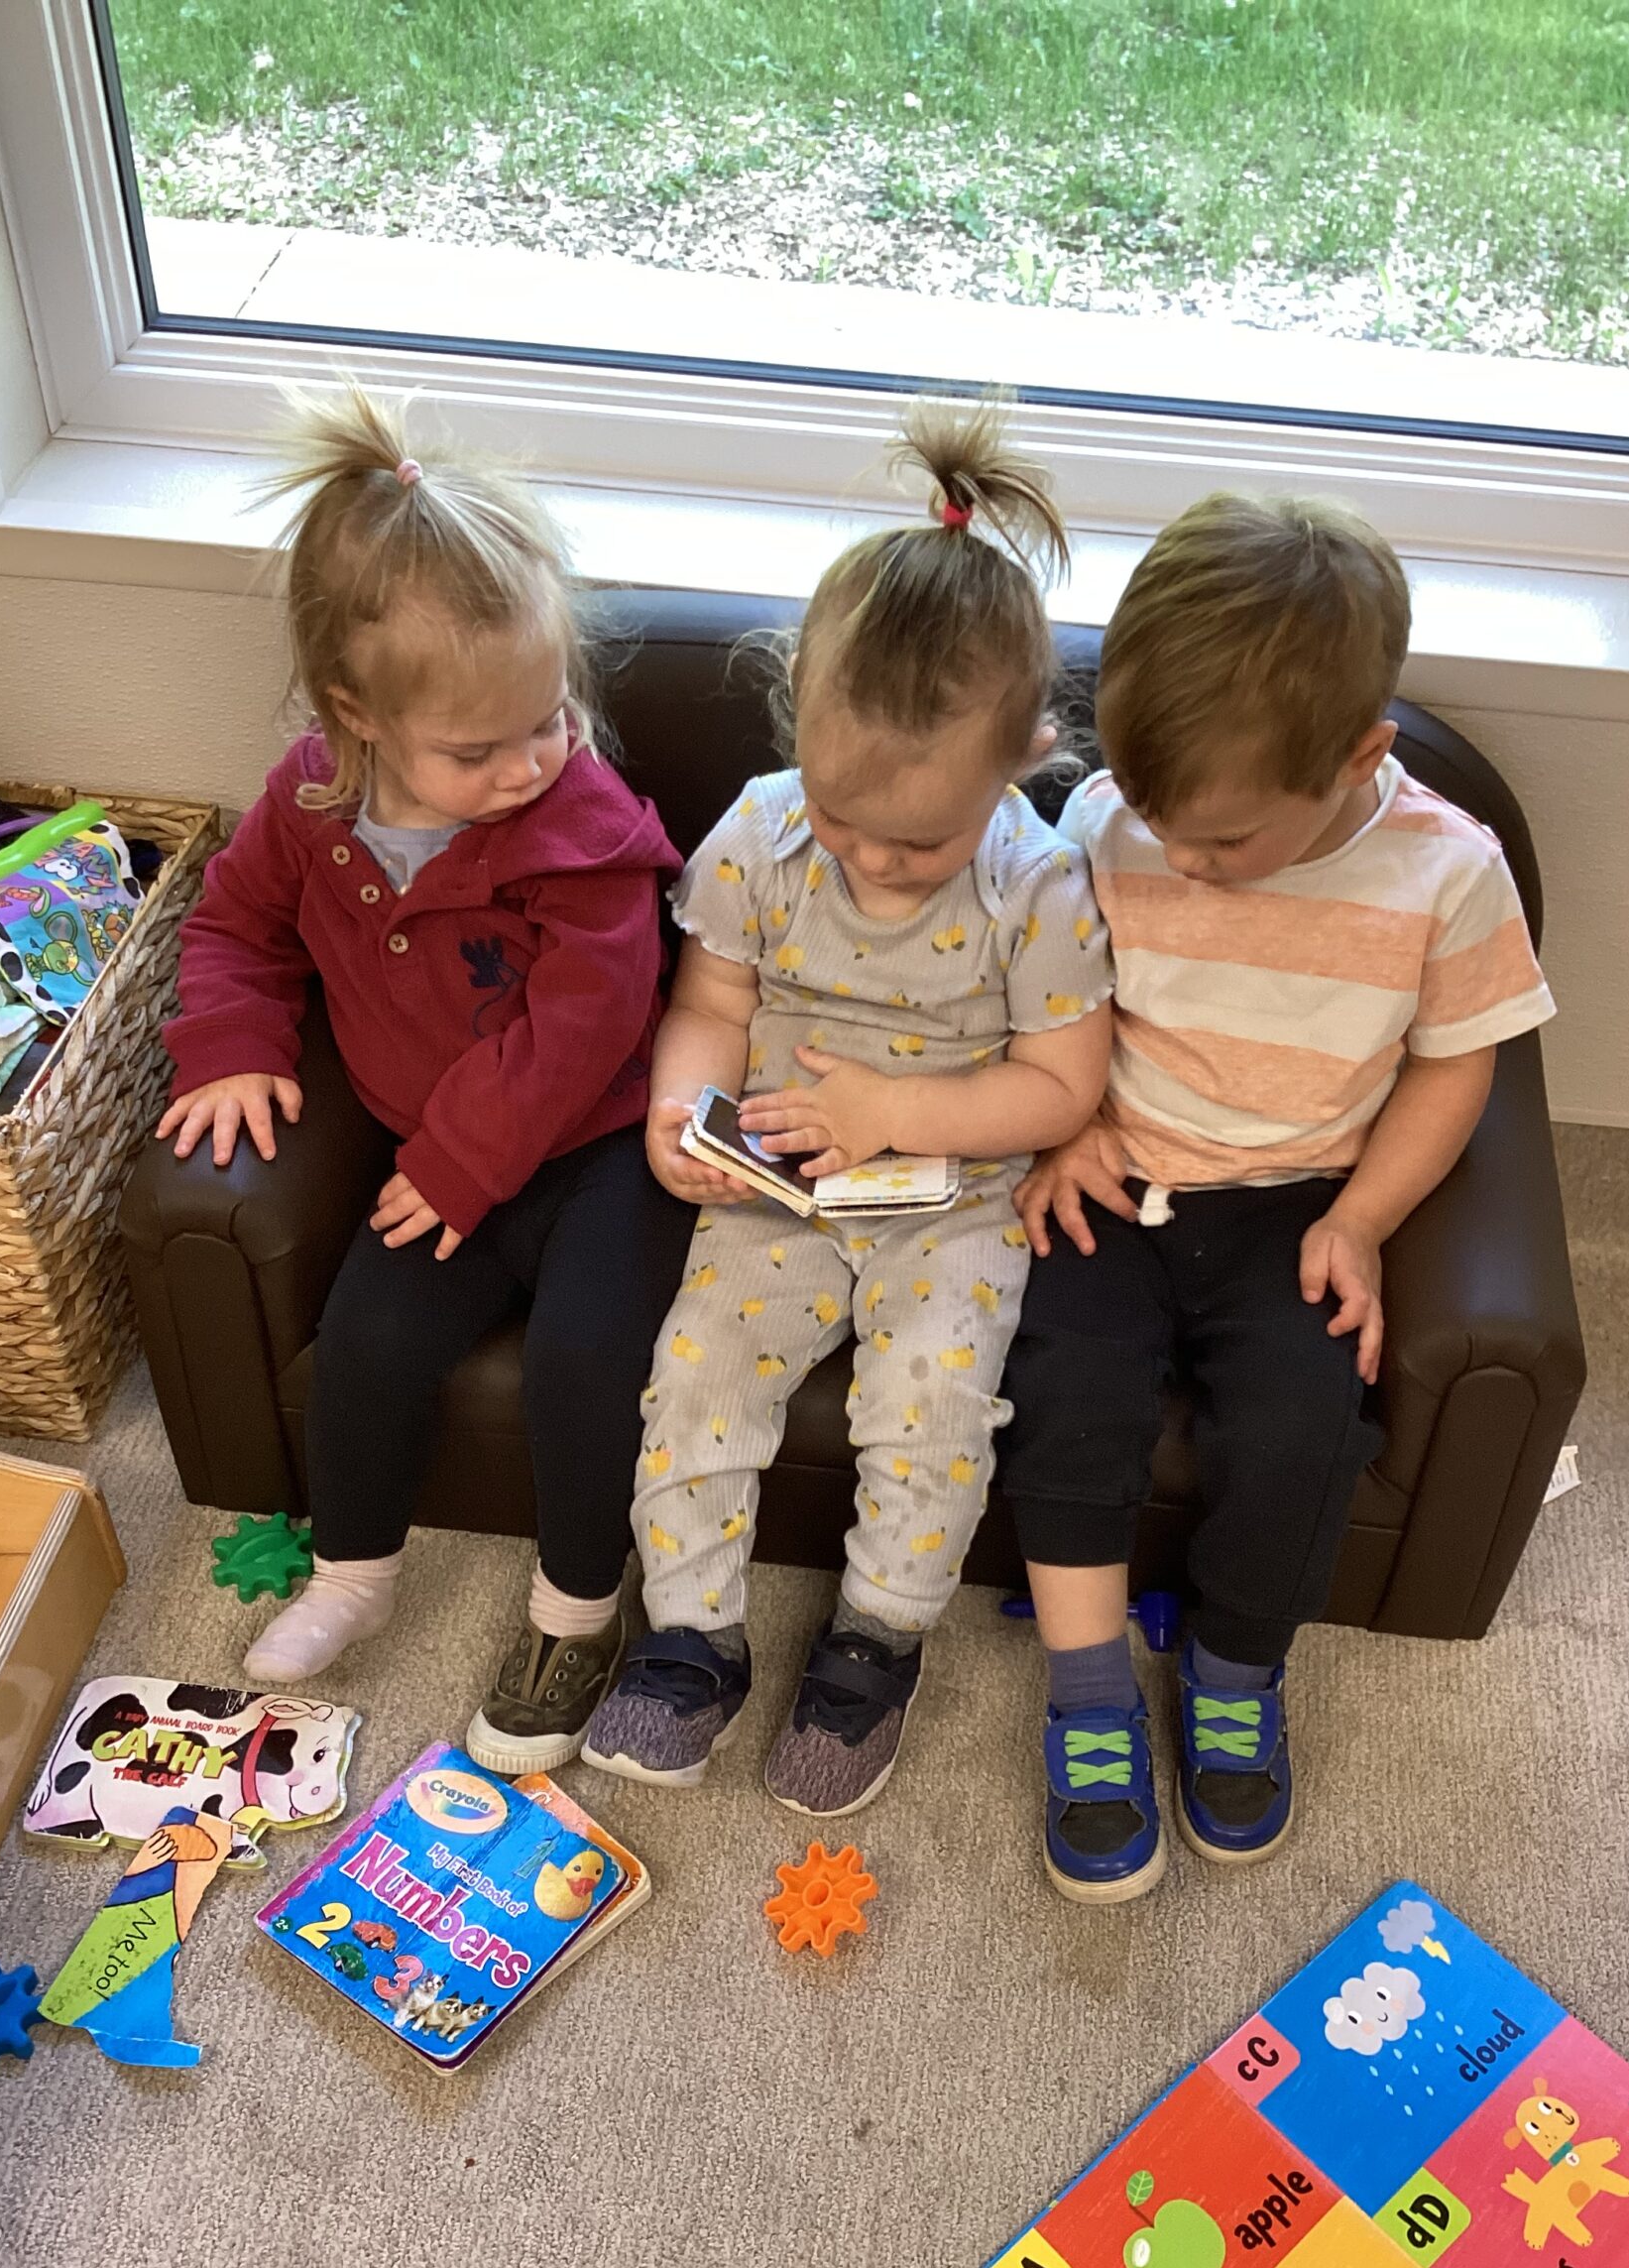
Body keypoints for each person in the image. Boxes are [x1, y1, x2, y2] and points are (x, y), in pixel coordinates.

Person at [1001, 493, 1555, 1900]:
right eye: (1154, 813)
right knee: (1065, 1404)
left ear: (1359, 757)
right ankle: (1089, 1690)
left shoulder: (1448, 869)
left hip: (1298, 1198)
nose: (1177, 857)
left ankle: (1235, 1670)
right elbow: (1056, 1004)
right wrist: (1059, 1128)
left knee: (1306, 1430)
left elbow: (1455, 1074)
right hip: (1118, 1174)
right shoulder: (1107, 817)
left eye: (1225, 841)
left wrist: (1361, 1219)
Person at [579, 402, 1114, 1816]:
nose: (873, 858)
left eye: (920, 838)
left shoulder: (1038, 885)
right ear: (796, 734)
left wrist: (899, 1107)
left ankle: (877, 1639)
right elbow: (709, 997)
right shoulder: (763, 831)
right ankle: (690, 1636)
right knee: (695, 1375)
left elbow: (1065, 1087)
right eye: (845, 813)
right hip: (779, 1184)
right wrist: (683, 1109)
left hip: (954, 1198)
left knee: (931, 1408)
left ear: (1025, 755)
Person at [157, 389, 695, 1763]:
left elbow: (594, 1011)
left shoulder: (581, 823)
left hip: (593, 1151)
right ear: (360, 716)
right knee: (370, 1346)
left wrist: (462, 1162)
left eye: (550, 721)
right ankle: (354, 1570)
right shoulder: (309, 808)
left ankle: (579, 1611)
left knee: (589, 1360)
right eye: (481, 749)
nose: (529, 765)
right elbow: (232, 928)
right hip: (428, 1163)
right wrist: (227, 1047)